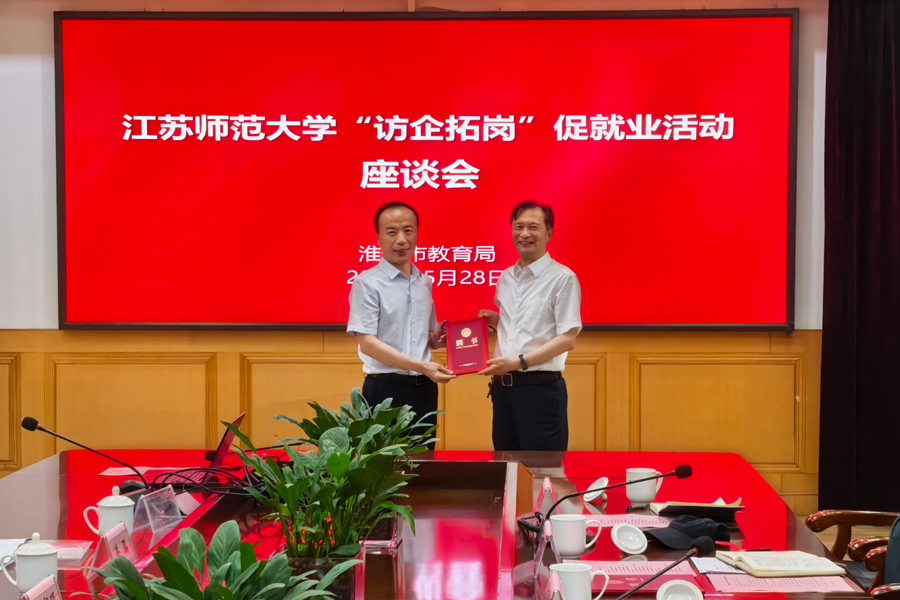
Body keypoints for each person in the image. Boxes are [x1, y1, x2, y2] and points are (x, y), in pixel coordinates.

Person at [477, 200, 582, 451]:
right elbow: (525, 325)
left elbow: (567, 338)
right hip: (503, 390)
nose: (524, 234)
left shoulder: (562, 279)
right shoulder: (506, 277)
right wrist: (497, 321)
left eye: (533, 227)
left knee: (543, 468)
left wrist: (518, 362)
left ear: (549, 234)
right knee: (506, 465)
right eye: (519, 227)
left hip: (541, 391)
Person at [348, 201, 455, 440]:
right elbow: (368, 344)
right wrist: (421, 366)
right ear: (378, 237)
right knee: (383, 461)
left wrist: (434, 342)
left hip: (424, 389)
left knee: (423, 460)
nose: (401, 240)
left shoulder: (424, 282)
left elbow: (421, 338)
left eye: (408, 230)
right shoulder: (367, 283)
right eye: (391, 232)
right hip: (384, 390)